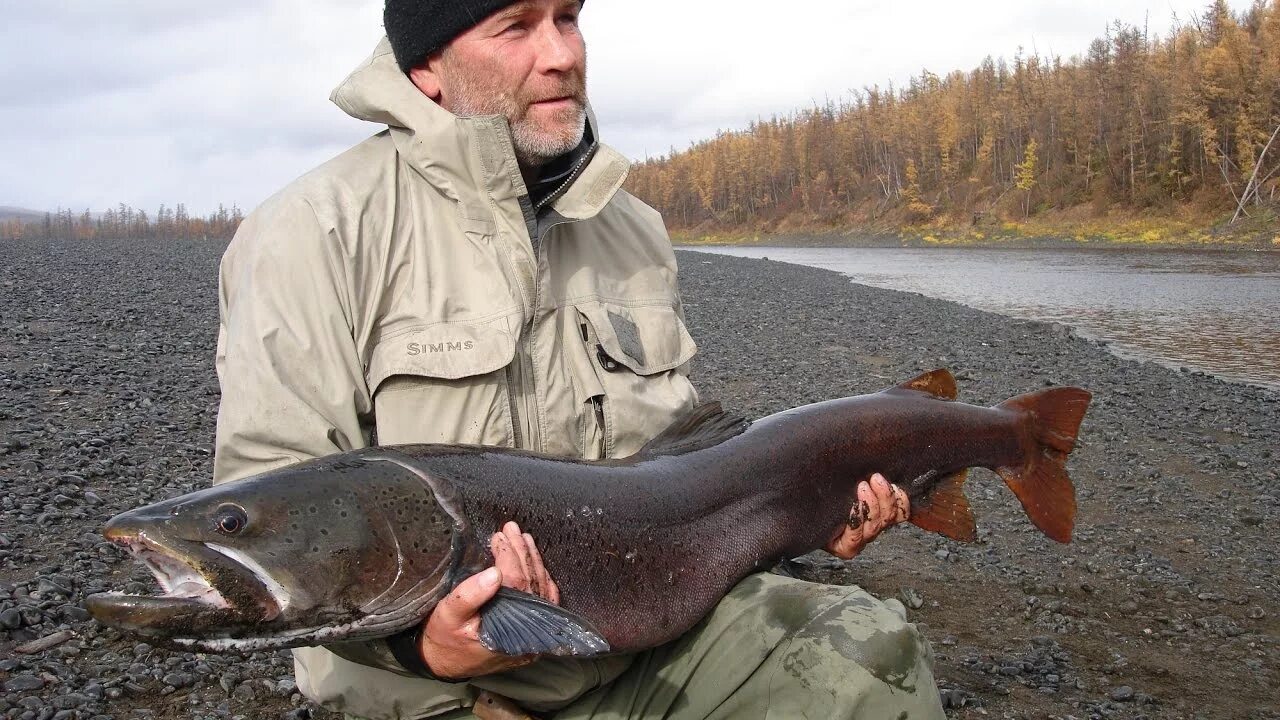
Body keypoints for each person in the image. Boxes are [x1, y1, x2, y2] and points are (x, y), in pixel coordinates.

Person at [212, 1, 947, 718]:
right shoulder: (311, 234)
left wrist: (808, 512)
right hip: (432, 692)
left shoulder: (630, 227)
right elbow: (270, 518)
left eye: (567, 17)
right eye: (517, 26)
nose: (561, 53)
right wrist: (423, 651)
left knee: (872, 659)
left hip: (639, 650)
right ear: (429, 66)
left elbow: (684, 466)